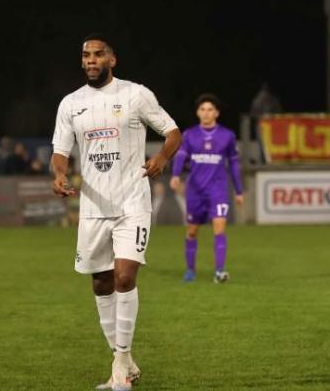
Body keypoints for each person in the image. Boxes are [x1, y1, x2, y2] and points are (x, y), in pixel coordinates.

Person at [50, 33, 181, 391]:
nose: (91, 60)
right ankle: (123, 359)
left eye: (98, 54)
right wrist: (59, 174)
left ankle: (120, 366)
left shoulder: (135, 94)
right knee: (100, 282)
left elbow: (172, 131)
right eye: (86, 55)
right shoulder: (70, 104)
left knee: (124, 277)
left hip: (132, 202)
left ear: (112, 59)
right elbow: (60, 151)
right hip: (93, 207)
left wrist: (162, 157)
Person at [169, 94, 243, 284]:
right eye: (202, 109)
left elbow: (234, 164)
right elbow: (180, 156)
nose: (206, 113)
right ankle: (190, 270)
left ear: (216, 113)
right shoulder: (189, 135)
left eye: (210, 109)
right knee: (192, 231)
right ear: (197, 113)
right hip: (195, 192)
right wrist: (176, 175)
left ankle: (219, 271)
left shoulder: (227, 136)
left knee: (219, 229)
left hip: (218, 191)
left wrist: (239, 190)